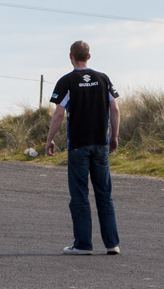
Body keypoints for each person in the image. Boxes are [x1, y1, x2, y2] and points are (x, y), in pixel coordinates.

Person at [44, 41, 121, 255]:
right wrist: (114, 136)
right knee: (104, 194)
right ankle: (112, 243)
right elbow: (115, 108)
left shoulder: (67, 81)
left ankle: (83, 244)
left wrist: (50, 139)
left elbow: (59, 114)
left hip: (78, 145)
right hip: (100, 143)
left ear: (71, 56)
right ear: (89, 56)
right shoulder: (103, 79)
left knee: (80, 195)